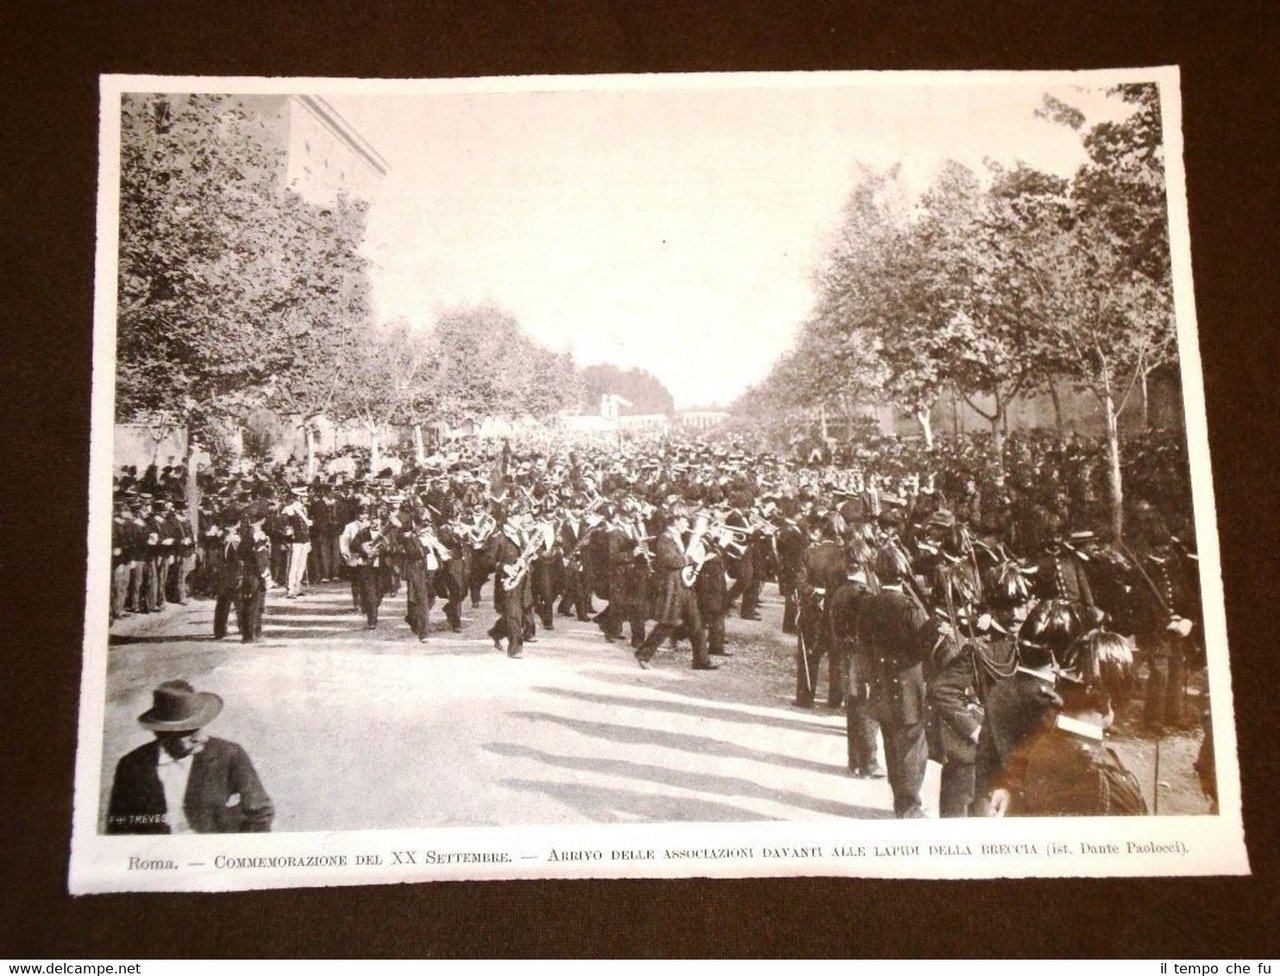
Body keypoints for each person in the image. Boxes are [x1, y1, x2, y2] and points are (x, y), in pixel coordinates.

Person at [106, 680, 274, 834]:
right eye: (187, 731)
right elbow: (119, 826)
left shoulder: (230, 755)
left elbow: (260, 813)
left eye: (199, 726)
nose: (200, 737)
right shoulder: (132, 766)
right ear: (162, 733)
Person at [855, 545, 943, 817]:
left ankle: (901, 801)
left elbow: (863, 644)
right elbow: (923, 648)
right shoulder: (909, 608)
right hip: (908, 685)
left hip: (881, 681)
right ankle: (909, 806)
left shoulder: (867, 604)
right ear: (902, 574)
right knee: (912, 749)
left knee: (892, 744)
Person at [635, 508, 715, 671]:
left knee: (696, 624)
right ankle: (643, 655)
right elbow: (671, 561)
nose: (688, 525)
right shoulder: (664, 538)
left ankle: (701, 661)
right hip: (673, 585)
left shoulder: (679, 536)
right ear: (676, 521)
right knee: (668, 623)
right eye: (685, 521)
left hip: (683, 584)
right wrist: (692, 559)